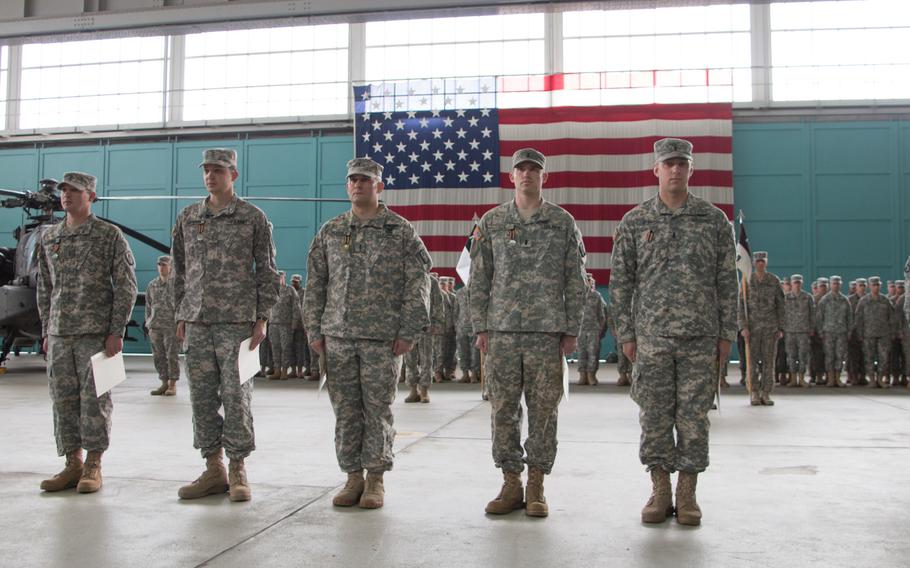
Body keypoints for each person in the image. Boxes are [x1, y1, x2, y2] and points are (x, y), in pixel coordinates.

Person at [609, 138, 737, 526]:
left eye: (682, 163)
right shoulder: (635, 221)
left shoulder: (713, 220)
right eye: (669, 164)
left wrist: (726, 332)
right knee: (655, 416)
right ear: (656, 170)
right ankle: (660, 490)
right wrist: (627, 334)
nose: (676, 170)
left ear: (691, 169)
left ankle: (688, 492)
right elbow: (621, 282)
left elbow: (726, 281)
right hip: (652, 338)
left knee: (695, 416)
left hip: (700, 337)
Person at [304, 157, 431, 510]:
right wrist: (314, 329)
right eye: (352, 180)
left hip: (382, 339)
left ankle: (375, 478)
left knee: (377, 410)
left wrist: (409, 330)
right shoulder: (331, 231)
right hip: (338, 337)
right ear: (347, 186)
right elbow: (316, 284)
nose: (358, 185)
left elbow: (418, 283)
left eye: (365, 180)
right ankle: (352, 476)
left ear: (379, 185)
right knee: (345, 411)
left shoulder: (399, 231)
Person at [470, 148, 586, 518]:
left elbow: (575, 279)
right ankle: (510, 481)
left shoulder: (561, 221)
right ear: (511, 176)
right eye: (521, 170)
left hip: (545, 333)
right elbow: (479, 279)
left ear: (543, 177)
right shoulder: (491, 222)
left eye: (534, 170)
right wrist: (480, 326)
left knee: (543, 411)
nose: (527, 175)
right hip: (502, 332)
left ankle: (536, 483)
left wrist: (571, 328)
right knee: (503, 409)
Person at [172, 148, 279, 502]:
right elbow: (180, 271)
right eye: (206, 170)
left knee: (237, 398)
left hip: (237, 323)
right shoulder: (189, 216)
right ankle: (213, 468)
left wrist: (262, 317)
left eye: (218, 170)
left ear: (233, 174)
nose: (210, 176)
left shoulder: (252, 217)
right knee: (202, 398)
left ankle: (237, 468)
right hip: (199, 322)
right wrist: (180, 313)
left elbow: (266, 271)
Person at [36, 171, 138, 493]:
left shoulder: (109, 236)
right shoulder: (50, 237)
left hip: (95, 335)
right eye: (64, 190)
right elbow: (44, 287)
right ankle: (72, 463)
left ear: (90, 196)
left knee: (95, 400)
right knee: (62, 401)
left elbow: (126, 285)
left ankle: (94, 464)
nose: (66, 195)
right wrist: (45, 330)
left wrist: (116, 329)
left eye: (74, 191)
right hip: (59, 333)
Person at [737, 251, 784, 405]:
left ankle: (766, 392)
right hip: (752, 329)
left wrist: (781, 327)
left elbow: (781, 305)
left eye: (763, 261)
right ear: (754, 263)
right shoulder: (746, 280)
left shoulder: (773, 280)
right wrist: (743, 327)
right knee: (752, 362)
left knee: (769, 362)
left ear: (766, 262)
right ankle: (754, 392)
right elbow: (740, 307)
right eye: (758, 261)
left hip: (770, 328)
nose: (760, 264)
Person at [404, 270, 444, 403]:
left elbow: (438, 303)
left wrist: (437, 323)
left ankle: (424, 390)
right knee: (410, 359)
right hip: (409, 325)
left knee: (426, 359)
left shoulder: (432, 281)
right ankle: (413, 390)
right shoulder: (407, 278)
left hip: (426, 326)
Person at [146, 255, 180, 396]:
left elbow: (180, 306)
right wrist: (148, 323)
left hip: (171, 326)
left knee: (171, 355)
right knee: (158, 356)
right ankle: (164, 382)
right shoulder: (152, 285)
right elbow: (148, 305)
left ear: (171, 267)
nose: (161, 267)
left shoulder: (176, 285)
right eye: (159, 264)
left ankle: (172, 384)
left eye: (164, 265)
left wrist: (179, 324)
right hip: (155, 326)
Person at [854, 276, 895, 388]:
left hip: (883, 334)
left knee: (883, 358)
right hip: (868, 334)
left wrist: (892, 332)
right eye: (873, 285)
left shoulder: (885, 300)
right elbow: (859, 319)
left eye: (877, 285)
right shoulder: (864, 301)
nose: (876, 287)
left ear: (880, 286)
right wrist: (860, 333)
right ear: (869, 286)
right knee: (869, 357)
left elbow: (892, 317)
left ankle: (880, 379)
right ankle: (872, 379)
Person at [816, 275, 851, 388]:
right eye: (834, 283)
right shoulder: (824, 300)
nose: (836, 285)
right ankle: (830, 378)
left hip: (841, 332)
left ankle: (838, 378)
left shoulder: (845, 300)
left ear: (840, 285)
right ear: (830, 285)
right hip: (828, 332)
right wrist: (821, 332)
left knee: (839, 356)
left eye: (837, 283)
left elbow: (849, 318)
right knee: (829, 355)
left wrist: (849, 332)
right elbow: (819, 318)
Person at [783, 275, 815, 388]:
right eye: (795, 282)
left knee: (803, 355)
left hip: (803, 331)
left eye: (799, 282)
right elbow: (781, 314)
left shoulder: (808, 297)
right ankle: (793, 379)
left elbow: (812, 314)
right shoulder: (785, 297)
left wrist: (811, 328)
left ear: (801, 283)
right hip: (790, 331)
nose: (797, 284)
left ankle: (801, 378)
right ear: (791, 284)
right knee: (791, 355)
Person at [577, 273, 609, 386]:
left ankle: (591, 376)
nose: (591, 285)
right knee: (581, 353)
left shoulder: (597, 296)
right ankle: (582, 376)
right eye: (589, 283)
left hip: (593, 330)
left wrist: (600, 330)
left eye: (593, 284)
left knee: (593, 354)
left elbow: (602, 315)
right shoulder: (578, 295)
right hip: (580, 330)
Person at [267, 271, 299, 380]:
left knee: (285, 348)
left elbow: (296, 307)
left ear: (284, 277)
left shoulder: (290, 290)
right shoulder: (271, 290)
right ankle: (277, 371)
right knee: (275, 347)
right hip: (273, 323)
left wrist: (294, 323)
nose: (279, 278)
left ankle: (284, 371)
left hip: (286, 324)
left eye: (281, 277)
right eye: (277, 277)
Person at [454, 282, 480, 383]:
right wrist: (455, 323)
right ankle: (465, 374)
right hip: (462, 326)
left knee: (476, 351)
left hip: (475, 325)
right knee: (462, 351)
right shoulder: (459, 292)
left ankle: (474, 373)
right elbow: (456, 310)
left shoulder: (478, 291)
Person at [289, 274, 309, 378]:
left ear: (300, 282)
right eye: (292, 281)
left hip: (301, 326)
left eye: (296, 282)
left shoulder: (305, 292)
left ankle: (301, 370)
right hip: (290, 325)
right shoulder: (289, 292)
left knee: (300, 348)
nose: (293, 283)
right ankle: (293, 370)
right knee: (291, 348)